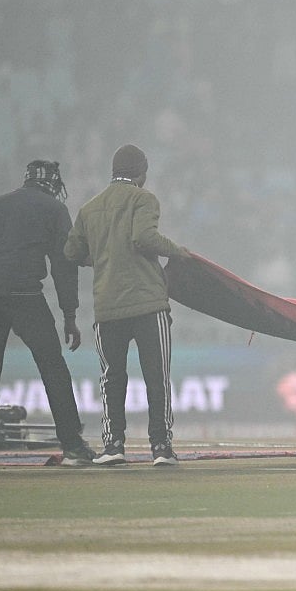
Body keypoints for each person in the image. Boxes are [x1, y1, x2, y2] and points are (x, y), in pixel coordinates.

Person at [65, 144, 190, 466]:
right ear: (142, 173)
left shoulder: (90, 209)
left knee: (112, 378)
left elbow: (71, 253)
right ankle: (161, 447)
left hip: (107, 306)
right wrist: (178, 251)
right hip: (148, 304)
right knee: (156, 377)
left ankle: (113, 446)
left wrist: (103, 259)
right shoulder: (143, 199)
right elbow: (144, 238)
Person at [0, 161, 98, 469]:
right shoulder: (54, 209)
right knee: (52, 367)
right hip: (25, 295)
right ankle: (72, 445)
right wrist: (69, 314)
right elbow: (63, 264)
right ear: (52, 184)